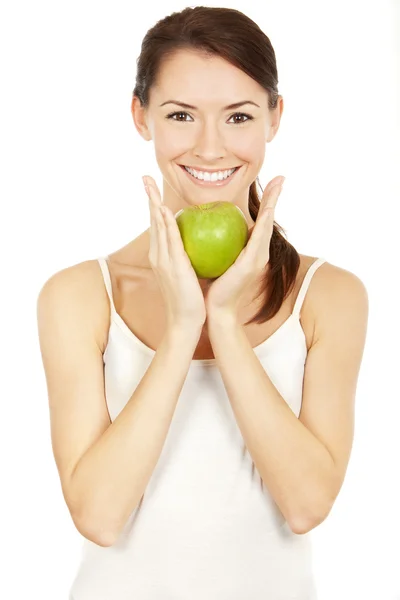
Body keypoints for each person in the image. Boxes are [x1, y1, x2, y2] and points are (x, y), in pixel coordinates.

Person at [36, 6, 369, 600]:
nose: (210, 148)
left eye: (238, 116)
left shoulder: (329, 296)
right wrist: (184, 324)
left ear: (275, 117)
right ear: (141, 118)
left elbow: (306, 505)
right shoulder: (81, 295)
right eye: (180, 115)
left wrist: (226, 325)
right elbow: (99, 517)